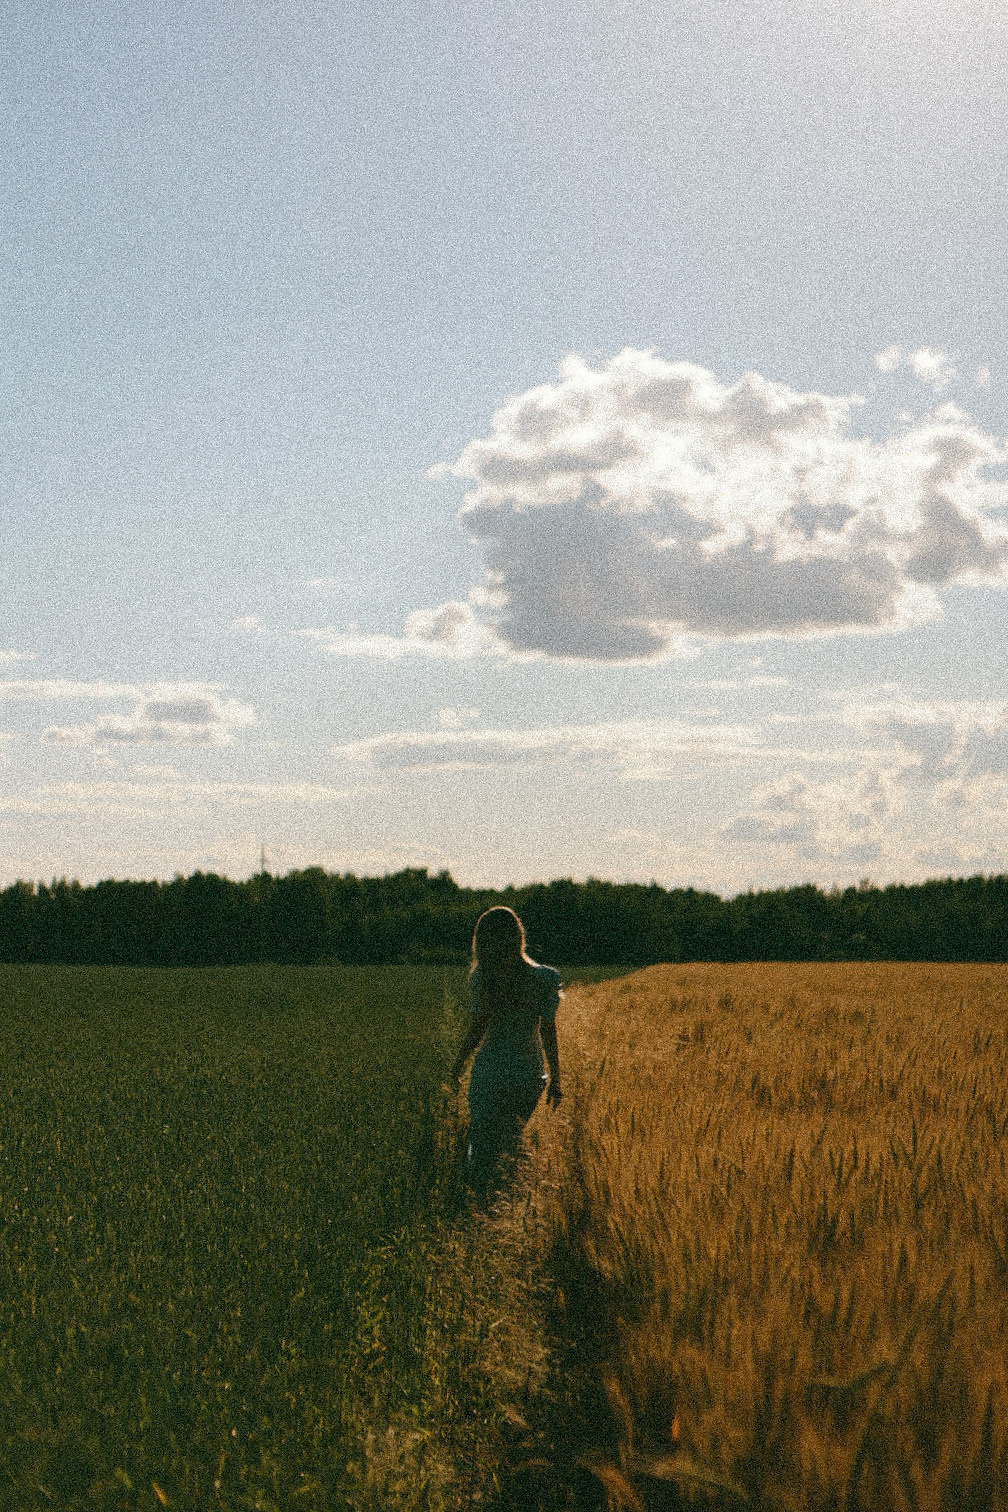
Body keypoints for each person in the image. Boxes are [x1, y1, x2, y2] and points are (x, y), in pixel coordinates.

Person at [451, 906, 563, 1197]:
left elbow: (477, 1030)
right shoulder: (545, 978)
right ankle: (511, 1205)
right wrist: (556, 1080)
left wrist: (457, 1067)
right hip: (528, 1075)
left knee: (481, 1146)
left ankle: (477, 1208)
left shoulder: (483, 978)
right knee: (511, 1143)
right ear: (519, 937)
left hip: (491, 1073)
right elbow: (548, 1031)